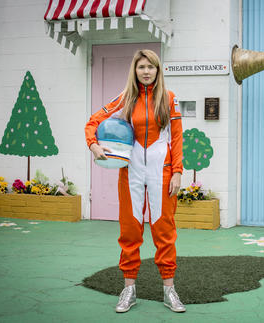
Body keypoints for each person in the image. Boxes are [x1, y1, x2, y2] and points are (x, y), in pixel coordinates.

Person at [84, 49, 185, 313]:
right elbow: (92, 122)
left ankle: (169, 291)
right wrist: (94, 145)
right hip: (131, 172)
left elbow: (177, 138)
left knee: (164, 231)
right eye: (141, 67)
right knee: (130, 231)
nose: (146, 71)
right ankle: (128, 290)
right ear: (135, 70)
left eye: (151, 67)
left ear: (158, 70)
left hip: (161, 172)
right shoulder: (125, 98)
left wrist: (177, 171)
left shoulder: (170, 99)